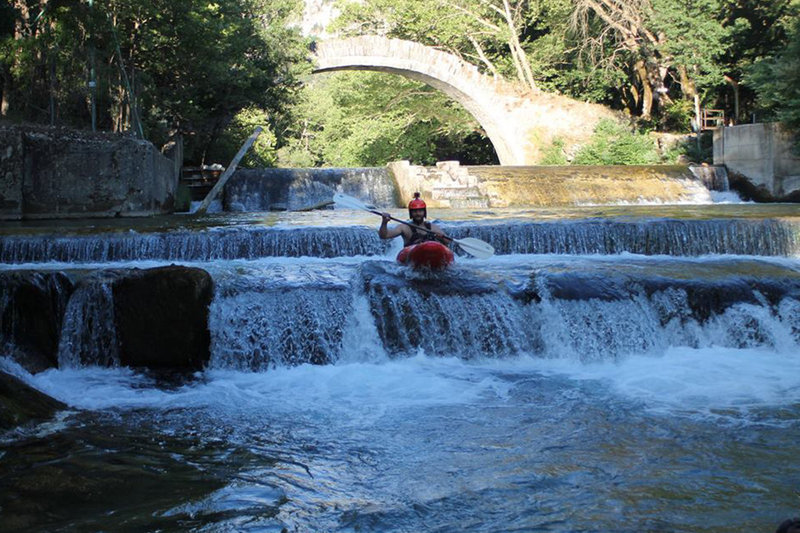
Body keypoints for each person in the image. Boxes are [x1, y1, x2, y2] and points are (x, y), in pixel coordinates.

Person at [378, 192, 448, 247]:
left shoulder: (432, 227)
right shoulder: (404, 227)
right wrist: (384, 222)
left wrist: (441, 238)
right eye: (415, 211)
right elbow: (384, 236)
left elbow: (448, 241)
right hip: (411, 258)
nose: (418, 214)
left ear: (424, 212)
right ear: (411, 213)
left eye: (420, 211)